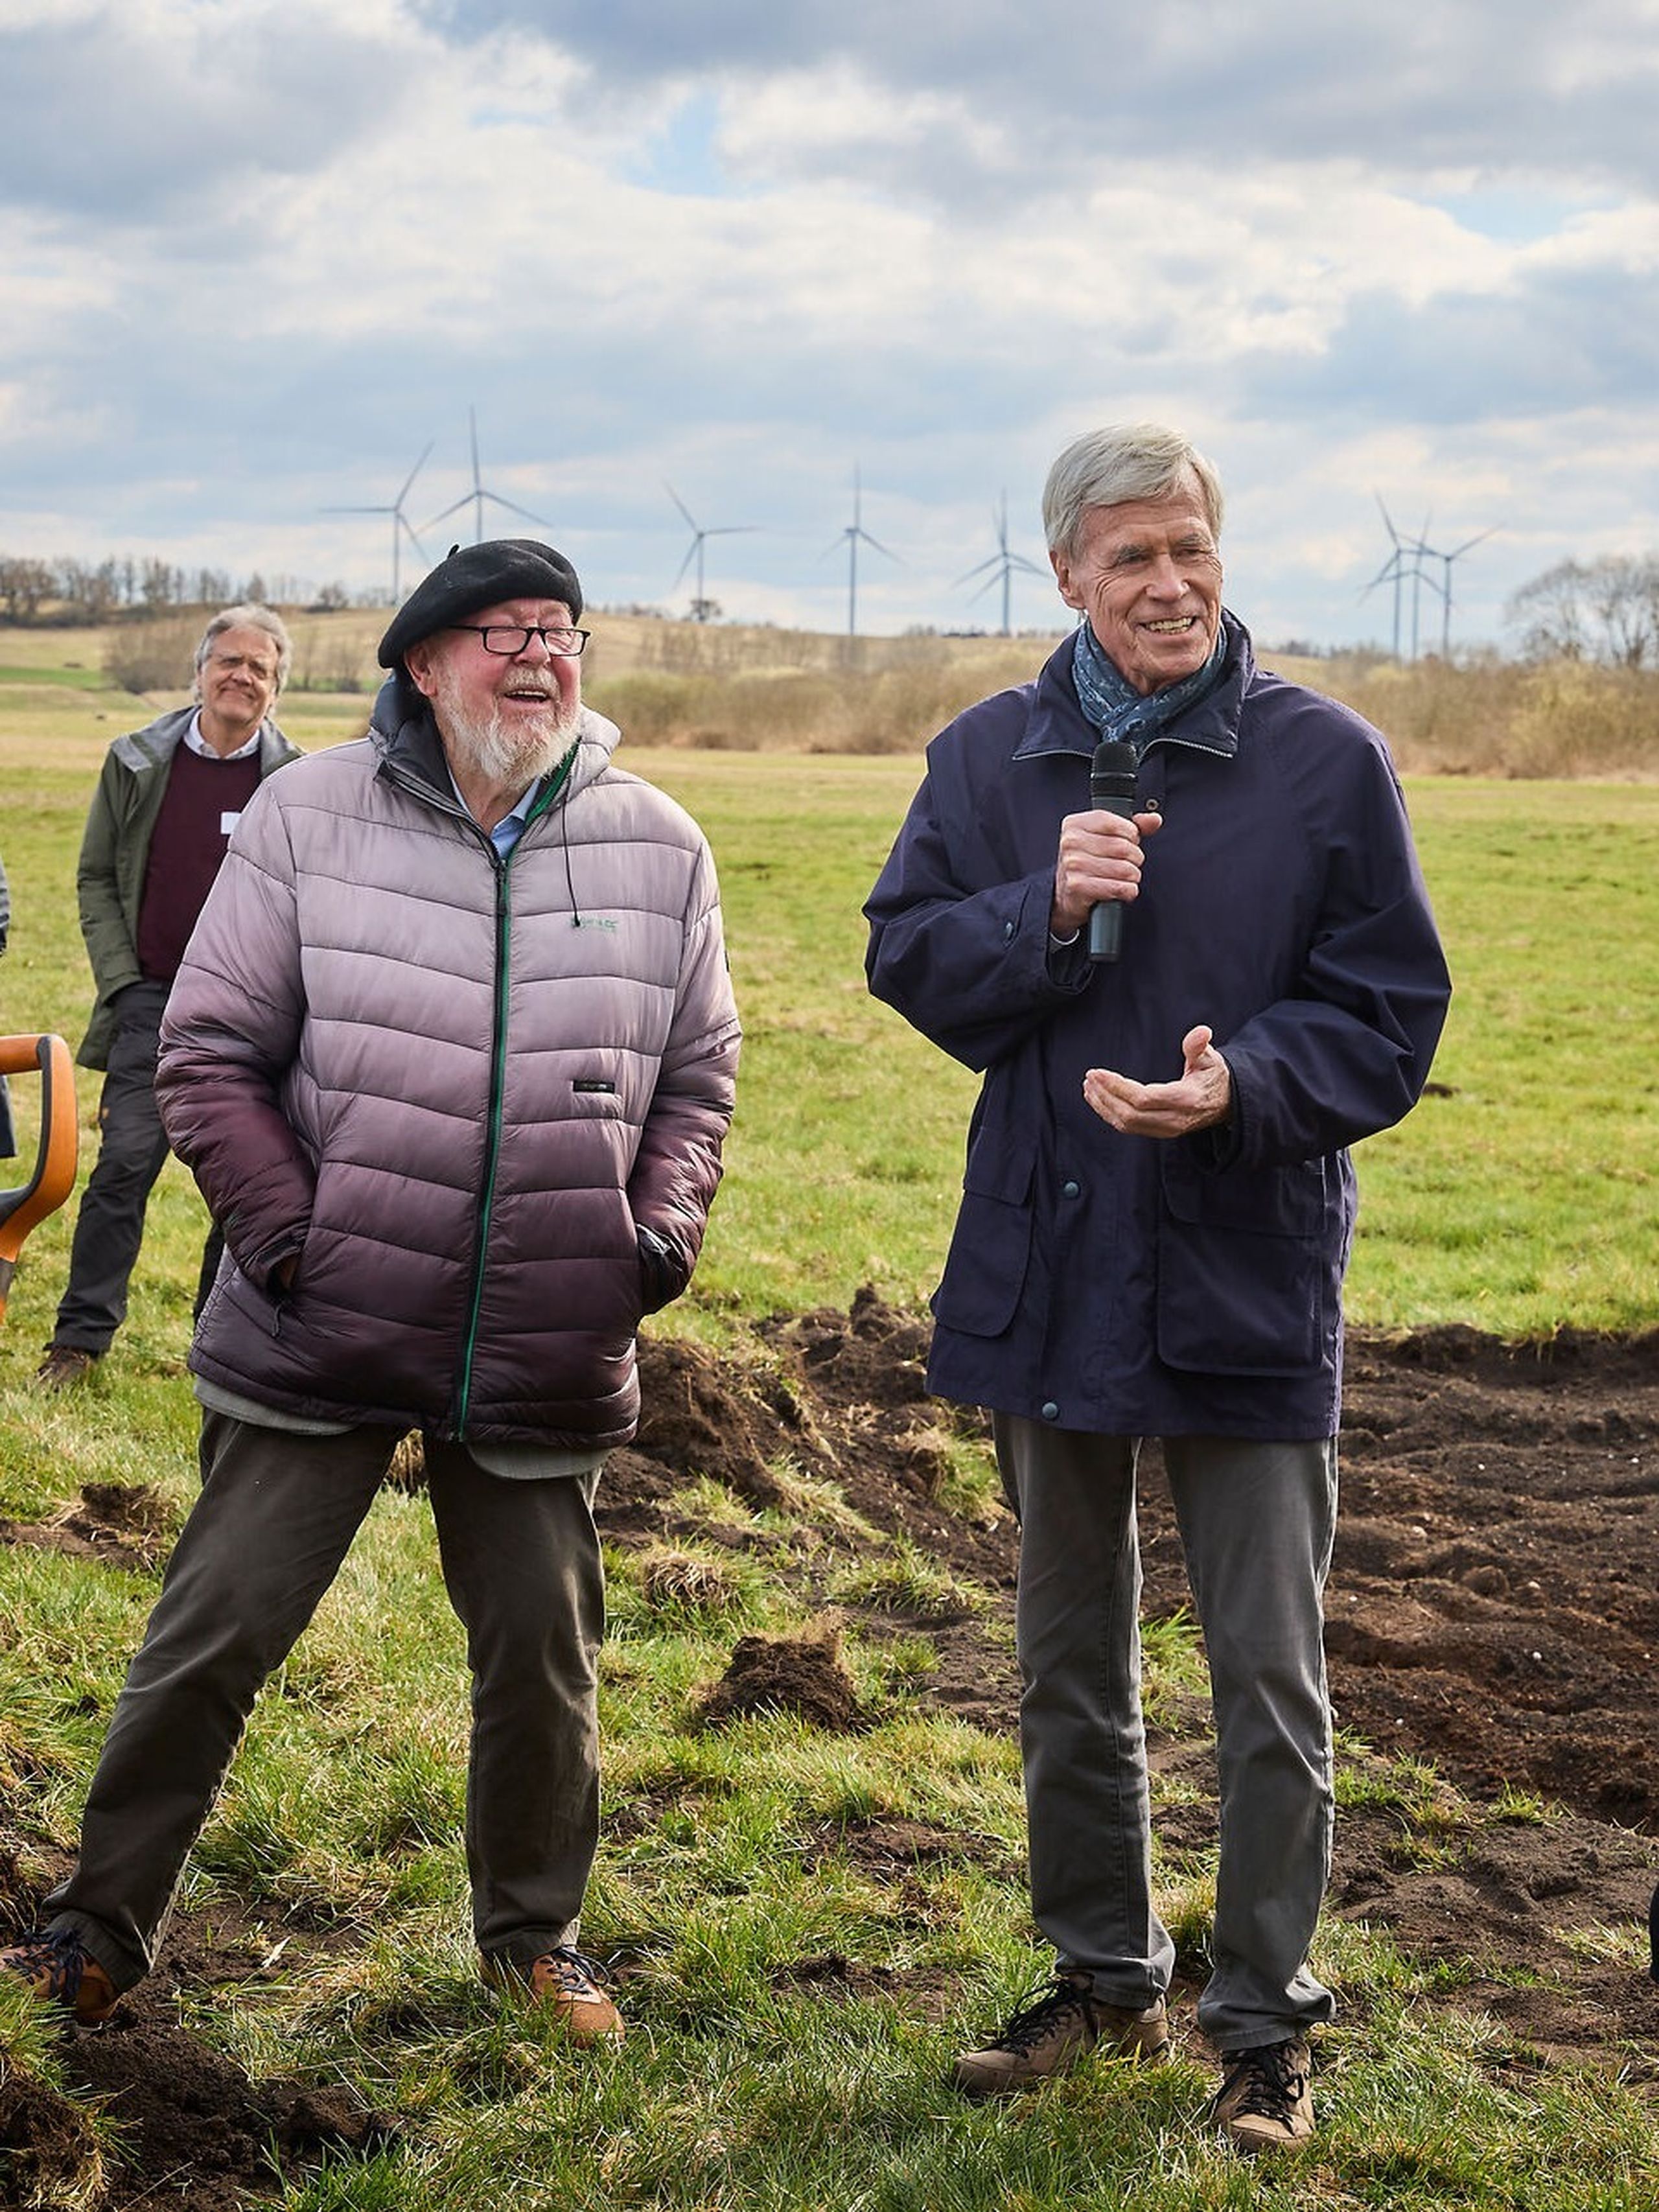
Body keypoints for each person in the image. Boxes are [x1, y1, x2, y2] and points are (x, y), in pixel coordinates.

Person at [2, 538, 741, 2045]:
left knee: (543, 1655)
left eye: (560, 631)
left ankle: (533, 1939)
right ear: (421, 663)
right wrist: (291, 1240)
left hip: (543, 1332)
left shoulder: (658, 845)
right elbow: (207, 1054)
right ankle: (96, 1926)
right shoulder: (306, 815)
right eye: (499, 633)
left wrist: (646, 1240)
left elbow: (699, 1076)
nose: (537, 656)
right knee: (213, 1630)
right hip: (320, 1319)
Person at [864, 425, 1450, 2152]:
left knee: (1267, 1673)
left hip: (1243, 1263)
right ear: (1064, 575)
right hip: (1047, 1268)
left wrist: (1242, 1089)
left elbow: (1390, 1012)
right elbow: (908, 953)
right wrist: (1037, 910)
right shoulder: (988, 759)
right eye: (1130, 556)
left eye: (1190, 546)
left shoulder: (1324, 764)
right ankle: (1102, 1973)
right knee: (1067, 1662)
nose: (1170, 581)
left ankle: (1266, 2019)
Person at [34, 605, 301, 1388]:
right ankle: (78, 1342)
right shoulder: (136, 761)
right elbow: (93, 876)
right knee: (121, 1168)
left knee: (240, 1183)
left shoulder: (294, 781)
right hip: (150, 1001)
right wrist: (121, 982)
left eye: (260, 668)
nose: (241, 677)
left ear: (275, 688)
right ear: (201, 668)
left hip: (252, 1013)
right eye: (230, 660)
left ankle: (217, 1346)